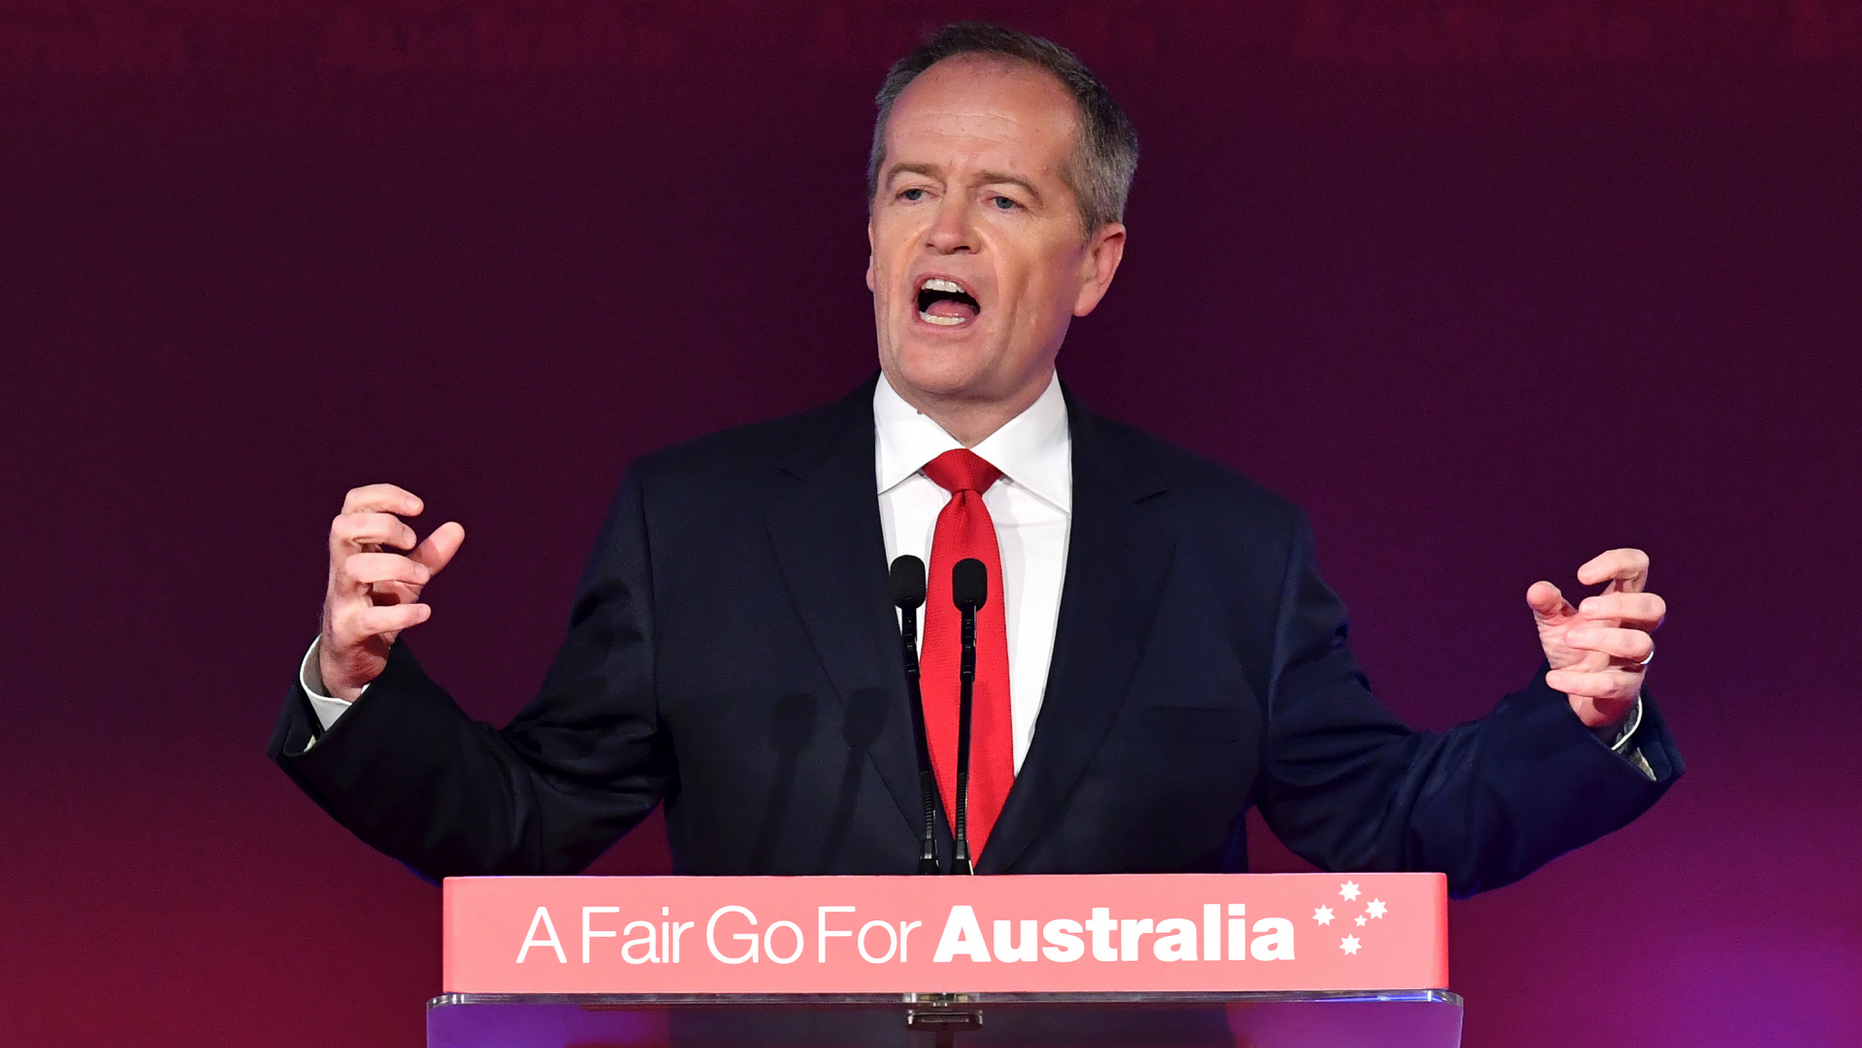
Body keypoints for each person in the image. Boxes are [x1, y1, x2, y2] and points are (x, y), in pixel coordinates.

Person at [270, 23, 1679, 893]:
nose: (943, 232)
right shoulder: (687, 524)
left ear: (1094, 265)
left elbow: (1383, 826)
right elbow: (521, 828)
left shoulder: (1229, 549)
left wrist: (1578, 722)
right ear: (869, 242)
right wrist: (354, 684)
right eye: (909, 191)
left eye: (1000, 197)